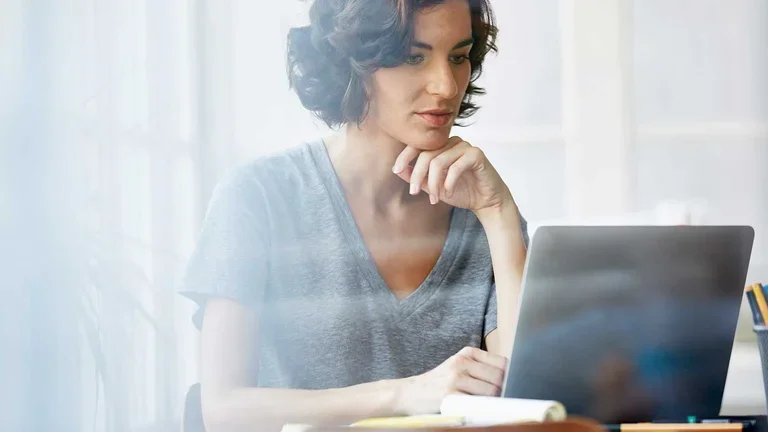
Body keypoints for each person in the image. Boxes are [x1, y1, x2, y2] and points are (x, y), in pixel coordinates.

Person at [179, 0, 530, 431]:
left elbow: (526, 400)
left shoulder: (483, 214)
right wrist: (405, 394)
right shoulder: (258, 198)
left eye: (458, 57)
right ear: (351, 62)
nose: (445, 85)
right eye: (412, 57)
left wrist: (499, 213)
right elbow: (224, 411)